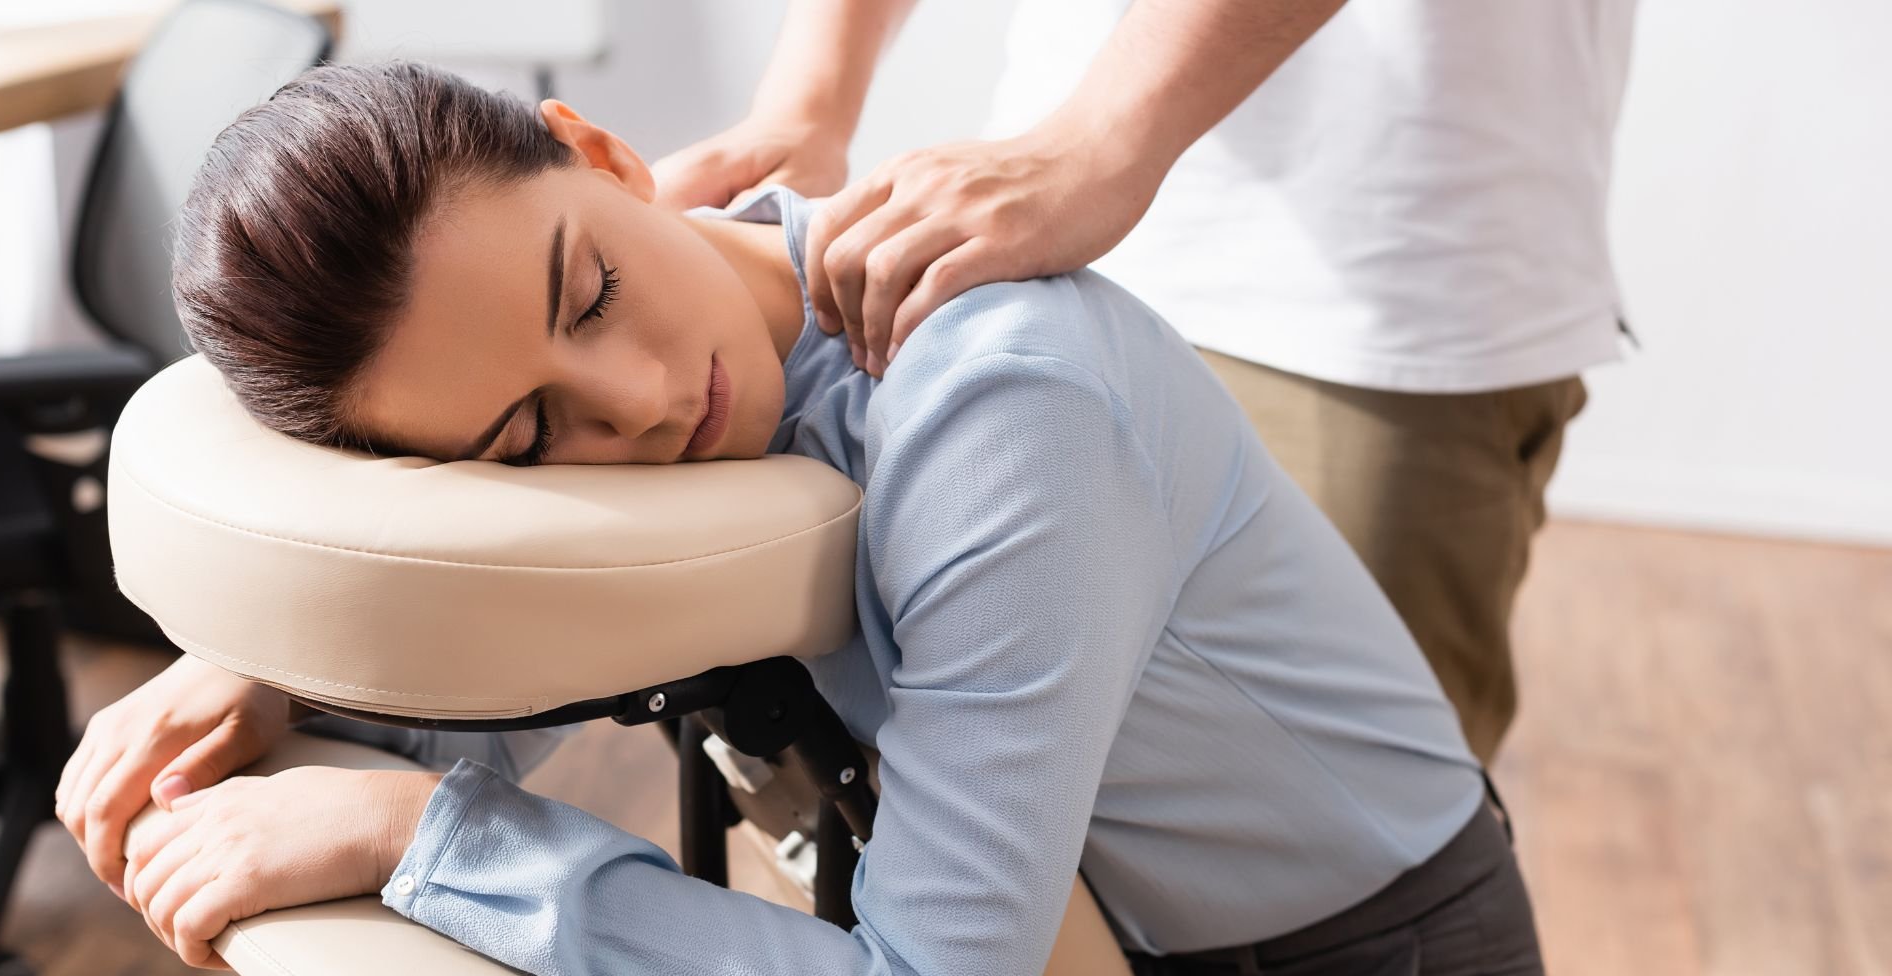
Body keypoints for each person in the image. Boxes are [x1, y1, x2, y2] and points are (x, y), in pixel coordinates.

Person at [60, 63, 1550, 976]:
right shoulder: (689, 420)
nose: (636, 402)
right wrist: (272, 662)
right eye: (525, 439)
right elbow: (542, 625)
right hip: (1101, 949)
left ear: (604, 156)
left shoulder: (998, 410)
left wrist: (415, 835)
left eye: (592, 290)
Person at [655, 0, 1636, 763]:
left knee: (1298, 900)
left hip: (1367, 277)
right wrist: (811, 99)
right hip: (1028, 249)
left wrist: (1098, 145)